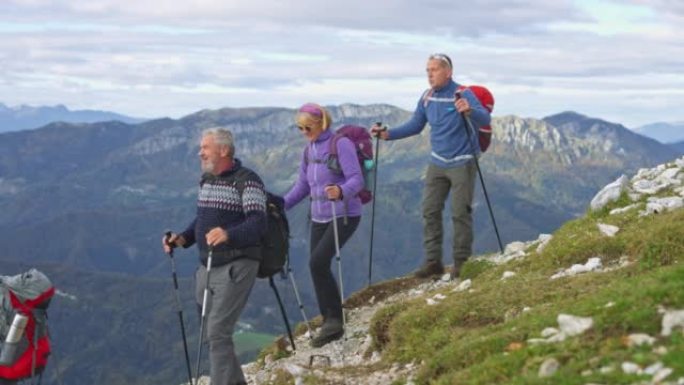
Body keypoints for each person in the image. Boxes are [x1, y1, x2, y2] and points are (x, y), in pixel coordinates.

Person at [371, 53, 491, 280]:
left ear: (448, 72)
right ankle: (433, 262)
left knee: (459, 213)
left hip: (462, 162)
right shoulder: (427, 97)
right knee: (430, 210)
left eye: (434, 70)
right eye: (428, 70)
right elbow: (416, 125)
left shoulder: (463, 94)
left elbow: (484, 119)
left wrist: (470, 110)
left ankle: (462, 263)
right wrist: (388, 135)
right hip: (437, 163)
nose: (430, 74)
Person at [163, 127, 267, 385]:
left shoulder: (248, 180)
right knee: (212, 334)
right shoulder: (207, 180)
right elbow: (202, 218)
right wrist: (182, 239)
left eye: (205, 148)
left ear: (223, 150)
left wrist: (228, 234)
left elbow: (258, 223)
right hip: (207, 265)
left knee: (218, 332)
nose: (200, 152)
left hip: (237, 265)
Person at [283, 103, 364, 347]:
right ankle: (329, 317)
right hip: (318, 216)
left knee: (317, 262)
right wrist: (280, 205)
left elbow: (357, 180)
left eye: (307, 126)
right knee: (316, 266)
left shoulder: (341, 144)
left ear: (322, 123)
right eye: (300, 127)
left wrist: (340, 190)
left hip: (344, 213)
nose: (304, 132)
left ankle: (334, 322)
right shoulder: (308, 151)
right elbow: (302, 187)